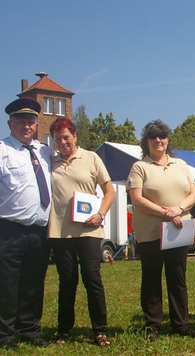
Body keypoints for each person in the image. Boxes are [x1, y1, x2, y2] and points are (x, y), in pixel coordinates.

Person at [0, 97, 54, 350]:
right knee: (6, 285)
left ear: (36, 124)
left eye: (30, 122)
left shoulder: (44, 152)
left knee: (33, 284)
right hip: (7, 231)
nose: (26, 126)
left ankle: (29, 329)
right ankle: (3, 335)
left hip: (39, 232)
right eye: (21, 121)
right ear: (10, 123)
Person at [127, 120, 195, 341]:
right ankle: (153, 326)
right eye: (152, 136)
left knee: (177, 278)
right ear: (146, 141)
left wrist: (177, 209)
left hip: (179, 230)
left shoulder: (181, 164)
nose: (158, 140)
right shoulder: (140, 167)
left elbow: (193, 195)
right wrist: (164, 213)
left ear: (168, 140)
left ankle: (181, 325)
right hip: (150, 233)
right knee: (151, 279)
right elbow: (137, 199)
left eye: (162, 136)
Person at [47, 117, 115, 347]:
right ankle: (64, 330)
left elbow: (109, 191)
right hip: (60, 231)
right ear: (53, 142)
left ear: (75, 136)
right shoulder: (50, 161)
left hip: (89, 230)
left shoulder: (91, 158)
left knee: (92, 278)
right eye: (58, 139)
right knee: (67, 281)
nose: (62, 142)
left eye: (66, 137)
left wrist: (101, 214)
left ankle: (100, 330)